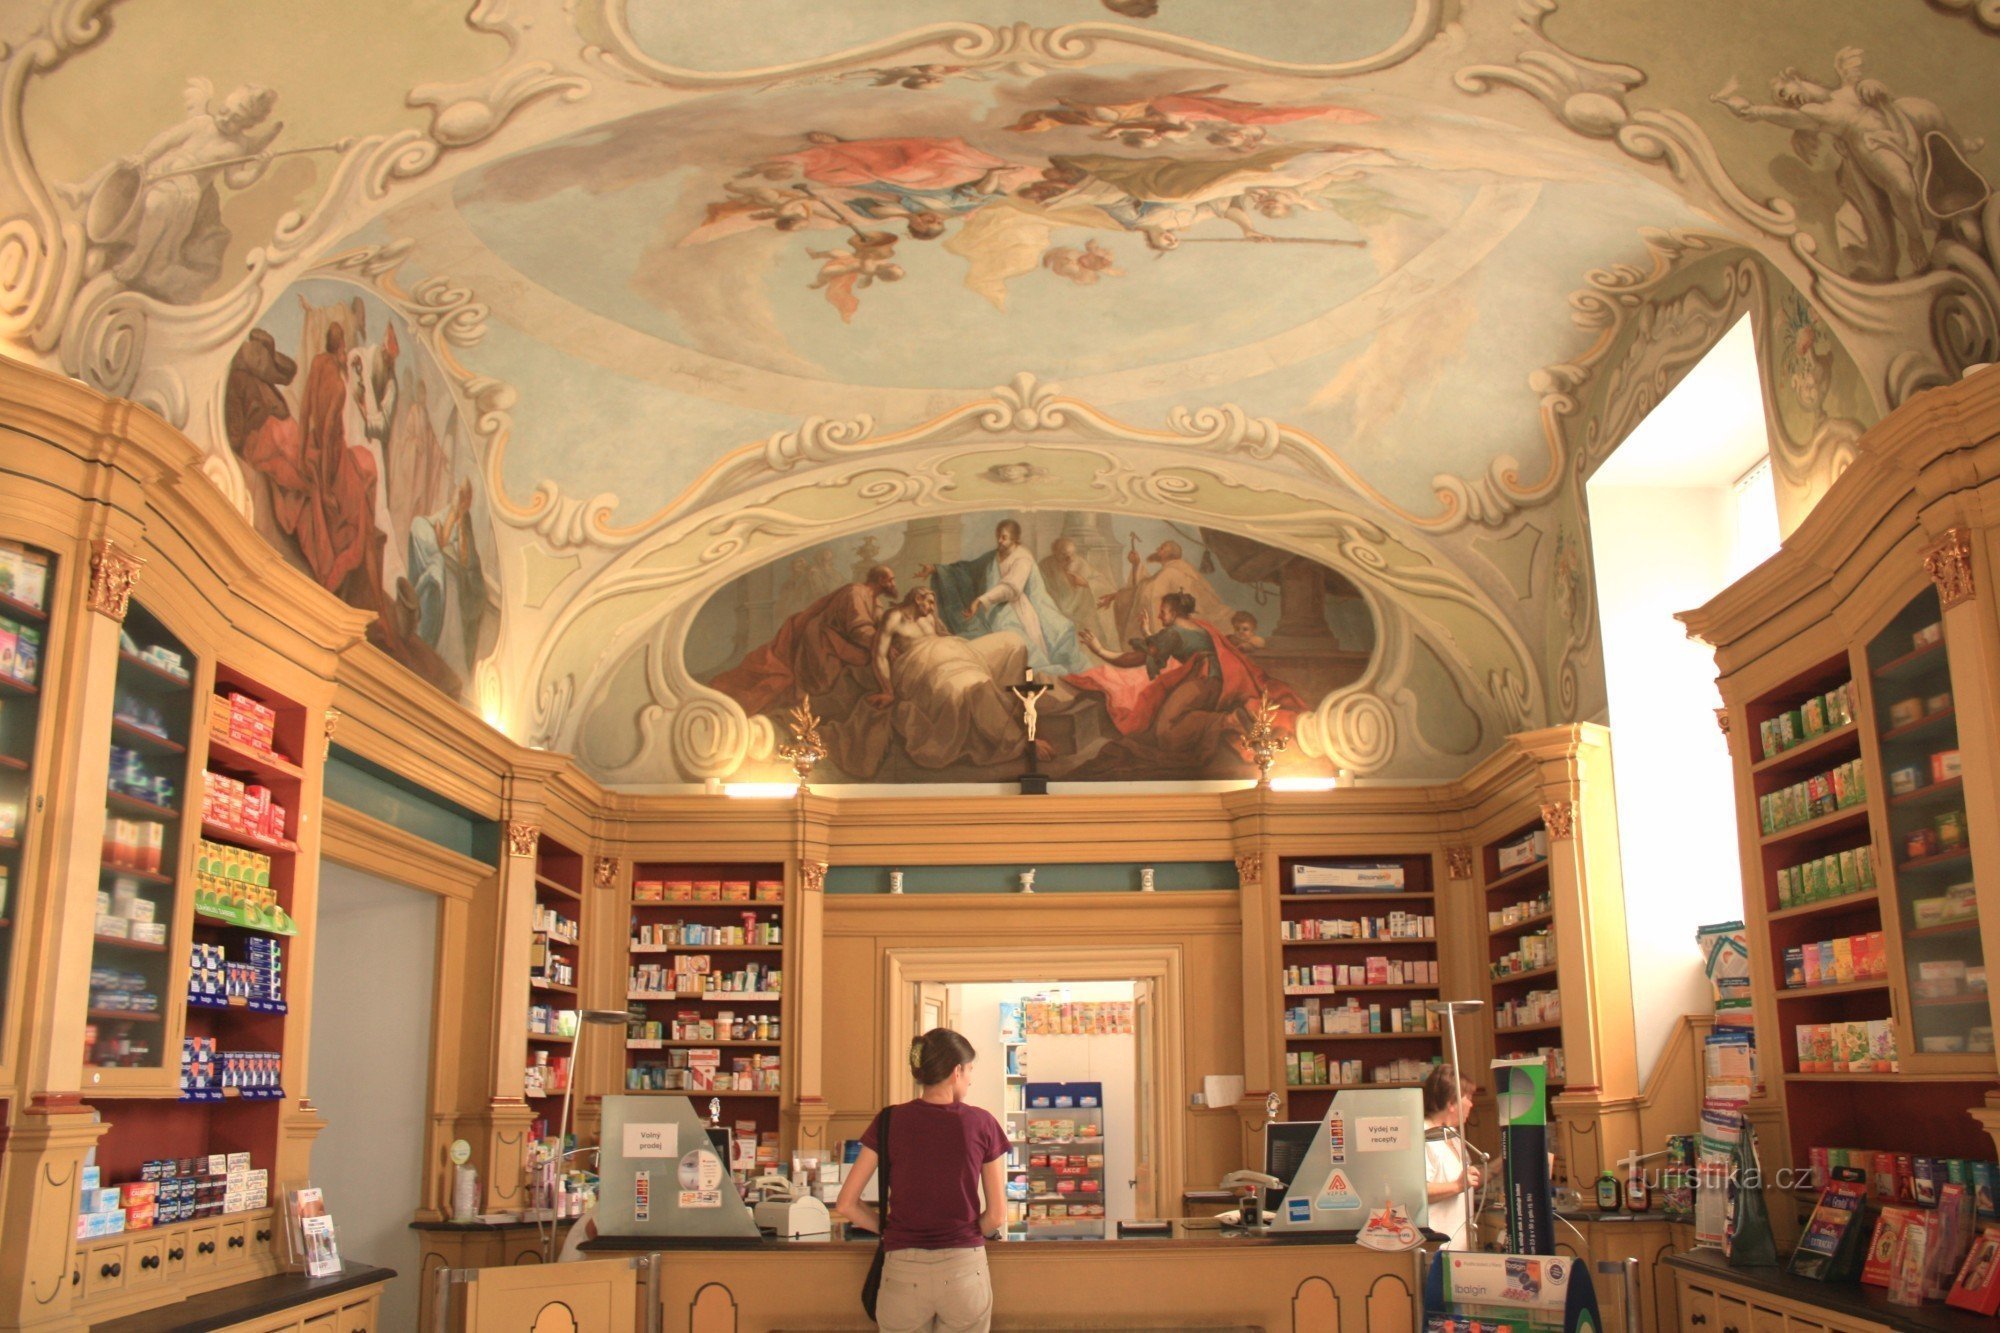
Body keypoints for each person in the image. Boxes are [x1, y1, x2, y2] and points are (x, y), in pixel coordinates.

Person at [836, 1029, 1007, 1333]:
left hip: (902, 1268)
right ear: (957, 1071)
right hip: (963, 1268)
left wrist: (890, 1229)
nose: (970, 1079)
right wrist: (962, 1233)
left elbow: (846, 1204)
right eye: (969, 1071)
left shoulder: (889, 1121)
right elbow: (996, 1216)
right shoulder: (982, 1123)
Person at [1423, 1065, 1481, 1250]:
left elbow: (1468, 1180)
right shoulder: (1422, 1136)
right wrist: (1457, 1186)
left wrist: (1501, 1164)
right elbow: (1418, 1192)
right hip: (1438, 1249)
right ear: (1451, 1102)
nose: (1471, 1104)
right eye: (1468, 1098)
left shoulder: (1453, 1136)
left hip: (1460, 1247)